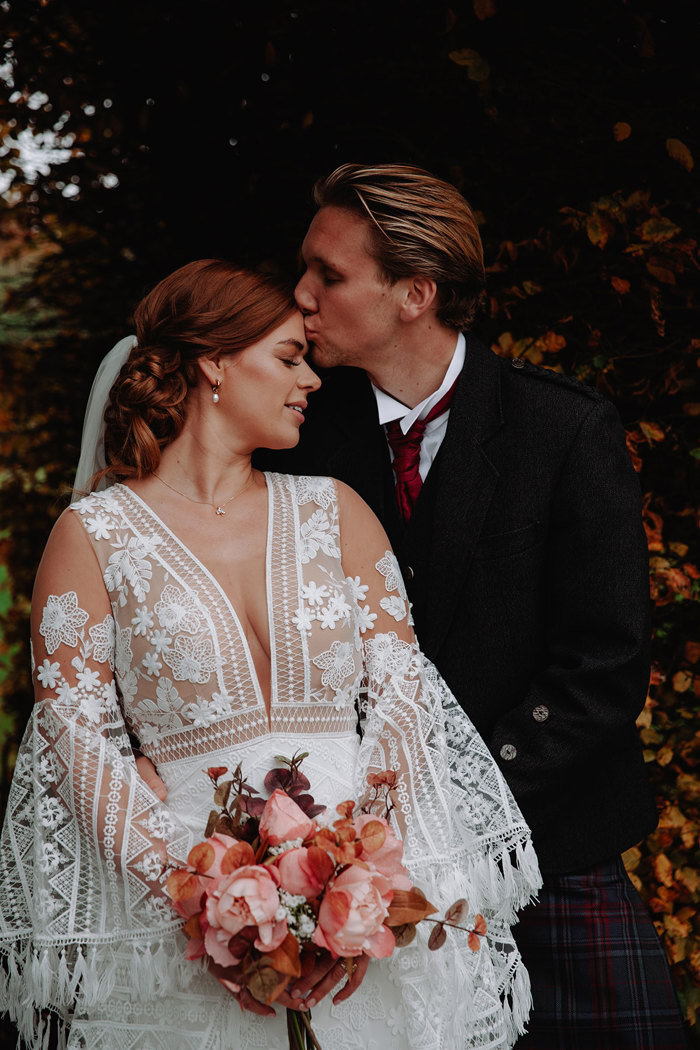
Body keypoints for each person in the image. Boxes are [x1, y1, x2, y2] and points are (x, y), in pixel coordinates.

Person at [0, 259, 540, 1050]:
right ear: (214, 363)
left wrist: (359, 885)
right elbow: (77, 743)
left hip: (363, 916)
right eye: (288, 358)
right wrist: (209, 904)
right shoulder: (93, 537)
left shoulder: (336, 511)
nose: (311, 380)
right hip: (190, 927)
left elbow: (401, 695)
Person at [250, 164, 687, 1048]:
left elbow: (602, 668)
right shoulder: (296, 440)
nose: (298, 295)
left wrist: (456, 817)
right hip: (359, 872)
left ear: (415, 292)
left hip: (549, 849)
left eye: (328, 275)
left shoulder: (563, 430)